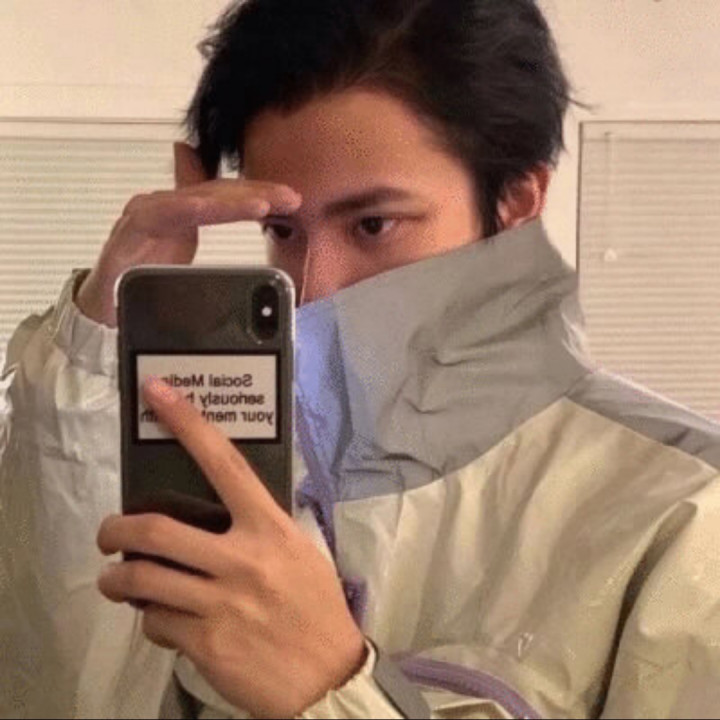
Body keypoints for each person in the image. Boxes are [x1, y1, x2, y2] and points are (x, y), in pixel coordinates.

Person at [1, 0, 720, 717]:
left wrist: (326, 687)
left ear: (516, 200)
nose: (314, 288)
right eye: (283, 231)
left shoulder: (682, 511)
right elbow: (64, 692)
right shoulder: (240, 464)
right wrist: (85, 379)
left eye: (373, 225)